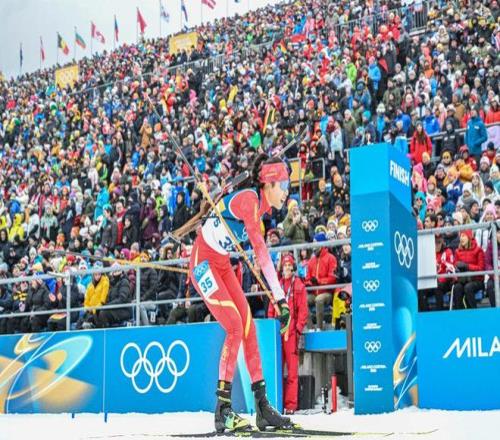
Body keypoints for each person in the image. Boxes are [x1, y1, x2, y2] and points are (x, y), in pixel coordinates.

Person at [188, 154, 292, 432]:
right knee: (235, 326)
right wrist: (280, 298)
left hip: (221, 263)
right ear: (268, 184)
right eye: (283, 185)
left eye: (288, 185)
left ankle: (262, 406)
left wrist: (280, 298)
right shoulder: (249, 200)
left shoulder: (261, 207)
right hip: (203, 264)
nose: (286, 191)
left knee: (247, 325)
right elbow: (261, 252)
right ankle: (222, 409)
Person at [267, 255, 308, 415]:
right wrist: (271, 326)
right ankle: (275, 403)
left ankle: (290, 405)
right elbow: (271, 308)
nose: (287, 268)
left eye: (290, 265)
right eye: (285, 265)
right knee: (276, 369)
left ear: (294, 268)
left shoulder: (298, 285)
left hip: (291, 334)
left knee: (292, 372)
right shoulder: (277, 287)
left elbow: (303, 310)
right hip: (278, 332)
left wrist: (297, 329)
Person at [306, 232, 337, 330]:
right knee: (302, 300)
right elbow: (307, 278)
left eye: (315, 243)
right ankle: (310, 328)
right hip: (314, 292)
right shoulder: (311, 261)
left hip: (327, 292)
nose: (313, 246)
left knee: (319, 300)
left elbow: (333, 278)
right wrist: (309, 283)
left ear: (322, 243)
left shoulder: (331, 258)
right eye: (313, 243)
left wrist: (319, 281)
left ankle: (319, 328)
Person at [453, 230, 485, 309]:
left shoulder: (478, 250)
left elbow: (481, 268)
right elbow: (454, 265)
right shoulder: (457, 251)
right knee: (457, 288)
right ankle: (459, 312)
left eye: (463, 236)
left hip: (476, 280)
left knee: (468, 287)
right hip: (463, 279)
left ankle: (473, 312)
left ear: (469, 237)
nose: (461, 238)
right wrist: (456, 269)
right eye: (460, 236)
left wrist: (467, 266)